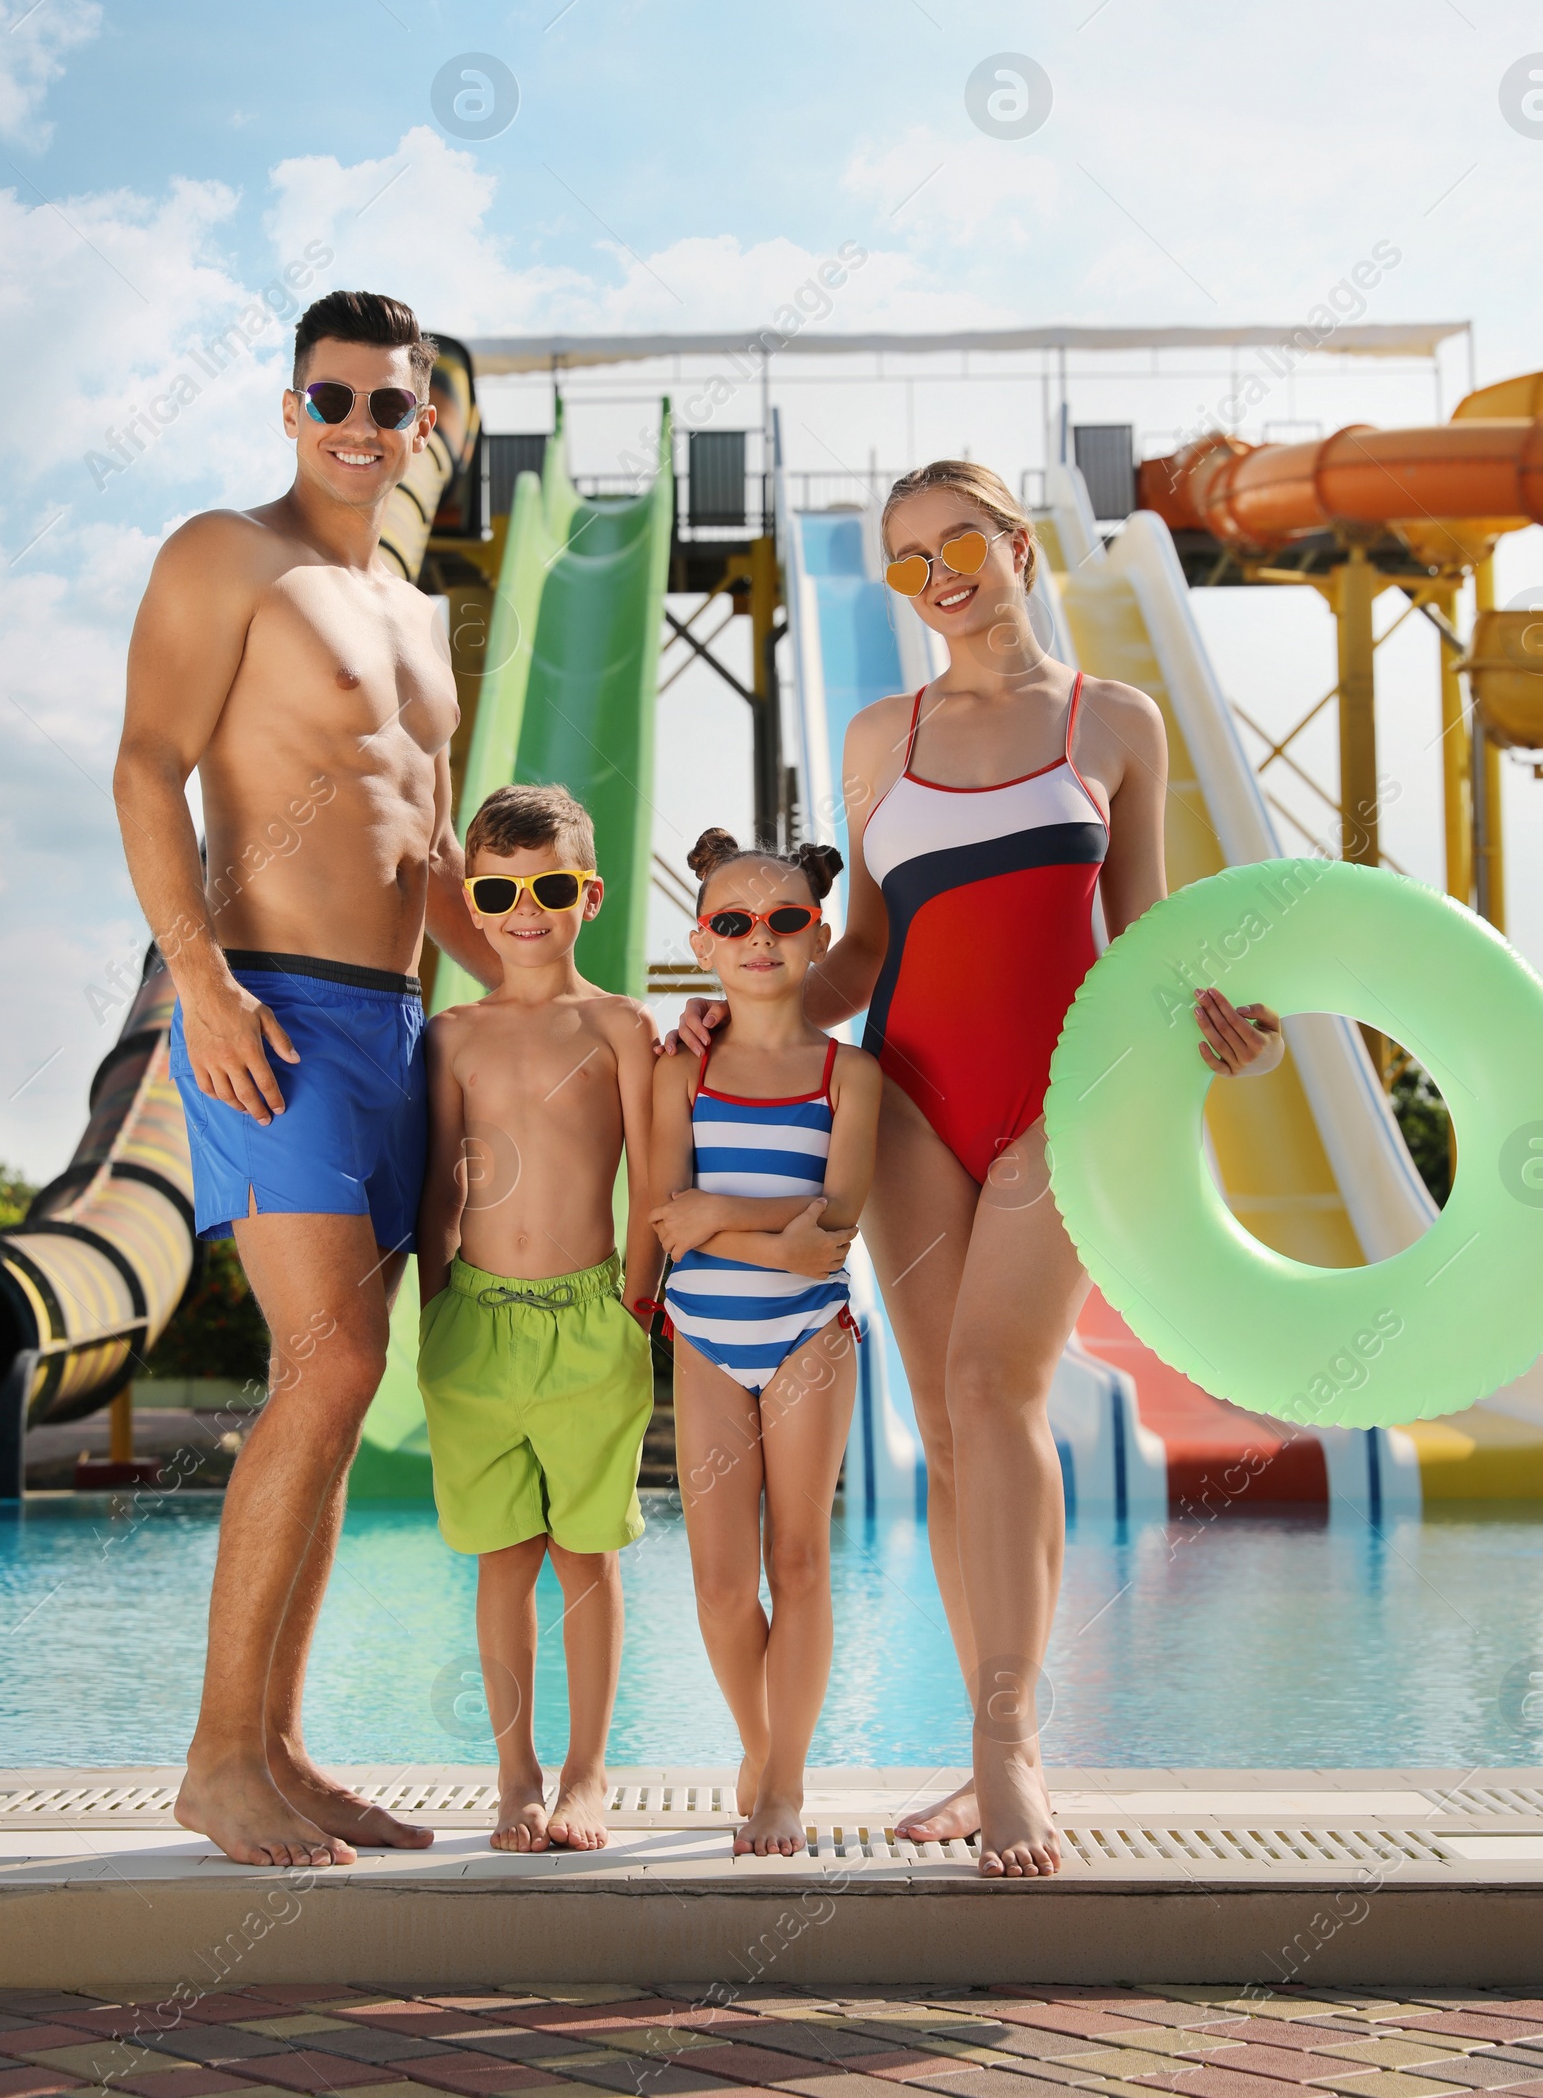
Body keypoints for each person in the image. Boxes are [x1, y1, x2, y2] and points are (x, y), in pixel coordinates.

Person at [677, 460, 1282, 1879]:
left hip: (1064, 1103)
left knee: (989, 1390)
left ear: (1015, 544)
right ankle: (984, 1739)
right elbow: (871, 950)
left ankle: (1013, 1754)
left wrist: (1223, 1041)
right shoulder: (879, 734)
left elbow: (1148, 944)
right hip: (904, 1107)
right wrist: (742, 1020)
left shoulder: (1111, 721)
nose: (935, 574)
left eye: (956, 542)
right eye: (904, 562)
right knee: (948, 1434)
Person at [113, 288, 503, 1871]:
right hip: (266, 1007)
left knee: (334, 1399)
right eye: (330, 397)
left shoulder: (419, 616)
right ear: (290, 409)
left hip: (398, 1029)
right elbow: (144, 762)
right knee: (331, 1368)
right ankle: (217, 1760)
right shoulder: (228, 554)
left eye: (389, 405)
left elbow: (436, 863)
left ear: (430, 428)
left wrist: (563, 1008)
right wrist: (195, 983)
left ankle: (279, 1746)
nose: (358, 426)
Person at [417, 784, 661, 1854]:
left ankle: (586, 1773)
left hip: (589, 1319)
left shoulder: (619, 1025)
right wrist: (432, 1318)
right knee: (503, 1558)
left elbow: (654, 1181)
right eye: (502, 890)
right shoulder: (452, 1034)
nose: (526, 908)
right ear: (471, 901)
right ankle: (513, 1776)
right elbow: (437, 1189)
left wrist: (635, 1308)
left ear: (589, 895)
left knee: (587, 1558)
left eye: (550, 887)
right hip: (474, 1324)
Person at [651, 829, 882, 1858]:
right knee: (714, 1580)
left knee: (796, 1561)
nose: (760, 938)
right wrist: (736, 1226)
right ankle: (760, 1744)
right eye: (734, 923)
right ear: (702, 942)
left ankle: (783, 1788)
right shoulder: (680, 1073)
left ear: (817, 936)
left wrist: (717, 1215)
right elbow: (664, 1220)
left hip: (808, 1339)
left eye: (784, 921)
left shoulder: (850, 1075)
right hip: (702, 1334)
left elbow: (831, 1233)